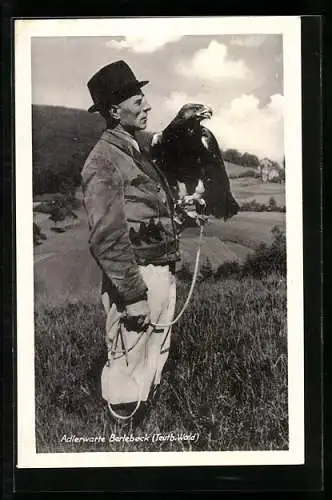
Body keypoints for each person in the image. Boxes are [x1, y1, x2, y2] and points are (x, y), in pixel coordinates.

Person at [81, 60, 186, 422]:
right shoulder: (102, 161)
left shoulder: (132, 149)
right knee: (129, 354)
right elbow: (106, 238)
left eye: (145, 100)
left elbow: (144, 213)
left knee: (155, 349)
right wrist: (133, 296)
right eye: (138, 102)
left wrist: (184, 213)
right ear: (114, 110)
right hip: (137, 276)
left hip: (157, 271)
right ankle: (122, 441)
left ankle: (145, 425)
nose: (148, 107)